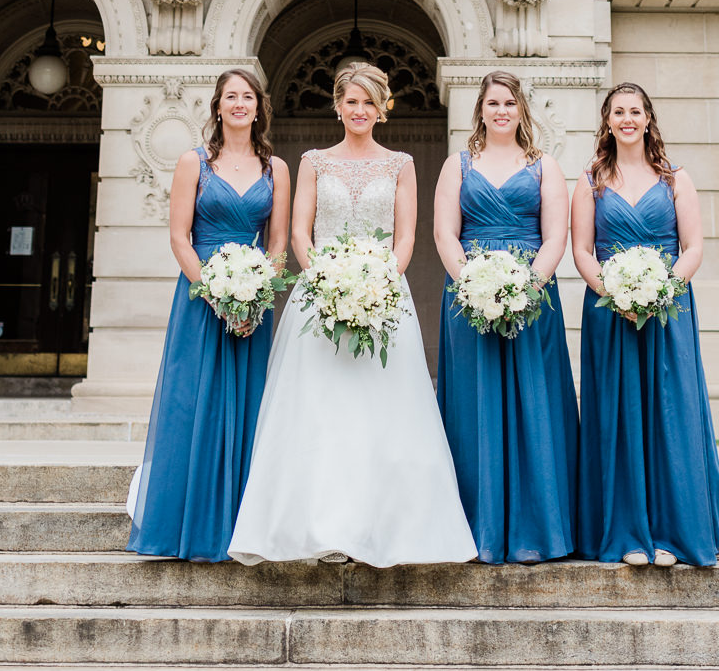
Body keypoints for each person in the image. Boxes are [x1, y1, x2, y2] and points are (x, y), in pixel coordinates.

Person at [228, 60, 476, 566]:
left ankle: (384, 528)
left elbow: (405, 235)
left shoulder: (401, 163)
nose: (359, 110)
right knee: (322, 412)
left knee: (383, 412)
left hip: (385, 296)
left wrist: (382, 281)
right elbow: (300, 232)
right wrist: (325, 280)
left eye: (369, 101)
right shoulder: (315, 161)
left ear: (383, 109)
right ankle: (322, 528)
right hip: (320, 296)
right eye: (351, 101)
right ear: (337, 107)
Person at [127, 67, 290, 561]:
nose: (240, 104)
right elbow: (180, 238)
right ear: (217, 107)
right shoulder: (192, 163)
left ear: (259, 107)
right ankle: (187, 526)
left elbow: (278, 243)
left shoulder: (276, 168)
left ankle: (241, 526)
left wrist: (257, 294)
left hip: (255, 305)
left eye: (248, 97)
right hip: (201, 299)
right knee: (193, 403)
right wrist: (218, 293)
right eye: (230, 96)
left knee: (249, 406)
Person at [572, 81, 719, 568]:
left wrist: (660, 292)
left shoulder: (676, 178)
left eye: (635, 111)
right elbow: (581, 251)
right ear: (607, 120)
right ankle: (625, 535)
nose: (627, 119)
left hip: (668, 312)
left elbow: (694, 248)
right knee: (616, 417)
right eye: (618, 111)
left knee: (670, 413)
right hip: (610, 314)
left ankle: (671, 534)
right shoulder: (590, 180)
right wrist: (617, 294)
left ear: (648, 119)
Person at [433, 70, 578, 563]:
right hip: (469, 299)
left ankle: (538, 529)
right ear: (480, 110)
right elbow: (445, 234)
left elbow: (555, 236)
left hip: (532, 298)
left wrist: (525, 288)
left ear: (522, 111)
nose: (501, 111)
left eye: (510, 104)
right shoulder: (459, 165)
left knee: (533, 404)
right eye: (493, 103)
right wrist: (472, 285)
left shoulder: (544, 167)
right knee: (475, 406)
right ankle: (476, 527)